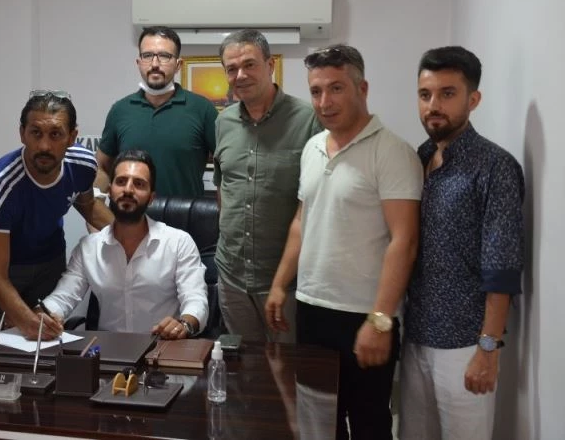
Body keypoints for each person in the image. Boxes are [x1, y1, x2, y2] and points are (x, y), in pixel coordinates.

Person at [265, 44, 423, 439]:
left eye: (336, 88)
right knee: (319, 423)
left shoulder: (393, 152)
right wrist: (280, 284)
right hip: (312, 310)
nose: (324, 102)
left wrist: (380, 320)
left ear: (362, 88)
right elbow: (302, 221)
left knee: (369, 423)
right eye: (316, 91)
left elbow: (404, 240)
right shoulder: (313, 147)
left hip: (364, 315)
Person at [399, 46, 524, 440]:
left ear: (473, 99)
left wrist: (488, 349)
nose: (433, 106)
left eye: (447, 94)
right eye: (425, 95)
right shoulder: (418, 158)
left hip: (465, 345)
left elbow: (502, 267)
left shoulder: (494, 166)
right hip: (415, 336)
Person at [0, 90, 113, 337]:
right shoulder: (0, 187)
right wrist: (26, 321)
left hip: (50, 263)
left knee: (48, 343)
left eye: (55, 134)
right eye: (36, 133)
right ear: (22, 134)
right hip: (5, 270)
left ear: (72, 137)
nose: (44, 146)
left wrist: (134, 237)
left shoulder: (83, 165)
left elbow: (88, 206)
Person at [212, 29, 322, 343]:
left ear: (270, 65)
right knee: (243, 366)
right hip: (232, 277)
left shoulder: (308, 120)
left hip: (285, 281)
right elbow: (223, 188)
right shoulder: (223, 122)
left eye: (249, 64)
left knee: (287, 367)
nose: (240, 75)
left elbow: (315, 202)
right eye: (231, 69)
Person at [39, 149, 208, 339]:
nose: (128, 190)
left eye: (139, 184)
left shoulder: (178, 243)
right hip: (108, 350)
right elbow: (63, 298)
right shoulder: (88, 248)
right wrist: (43, 315)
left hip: (162, 347)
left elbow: (196, 300)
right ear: (110, 191)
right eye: (121, 181)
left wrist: (184, 324)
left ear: (151, 197)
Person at [96, 26, 217, 198]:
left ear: (178, 65)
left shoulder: (202, 109)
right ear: (139, 62)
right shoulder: (120, 110)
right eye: (147, 56)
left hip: (184, 214)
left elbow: (228, 167)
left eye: (164, 56)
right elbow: (101, 166)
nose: (154, 64)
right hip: (131, 214)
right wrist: (98, 205)